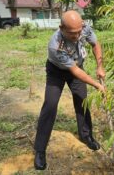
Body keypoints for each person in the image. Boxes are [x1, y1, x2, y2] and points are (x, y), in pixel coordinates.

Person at [34, 10, 106, 170]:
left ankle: (86, 136)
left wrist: (100, 66)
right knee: (50, 106)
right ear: (61, 28)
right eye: (72, 34)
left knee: (82, 102)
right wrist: (97, 85)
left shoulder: (83, 28)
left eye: (79, 32)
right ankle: (40, 150)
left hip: (77, 66)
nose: (77, 36)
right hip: (57, 72)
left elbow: (95, 44)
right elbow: (75, 71)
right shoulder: (55, 45)